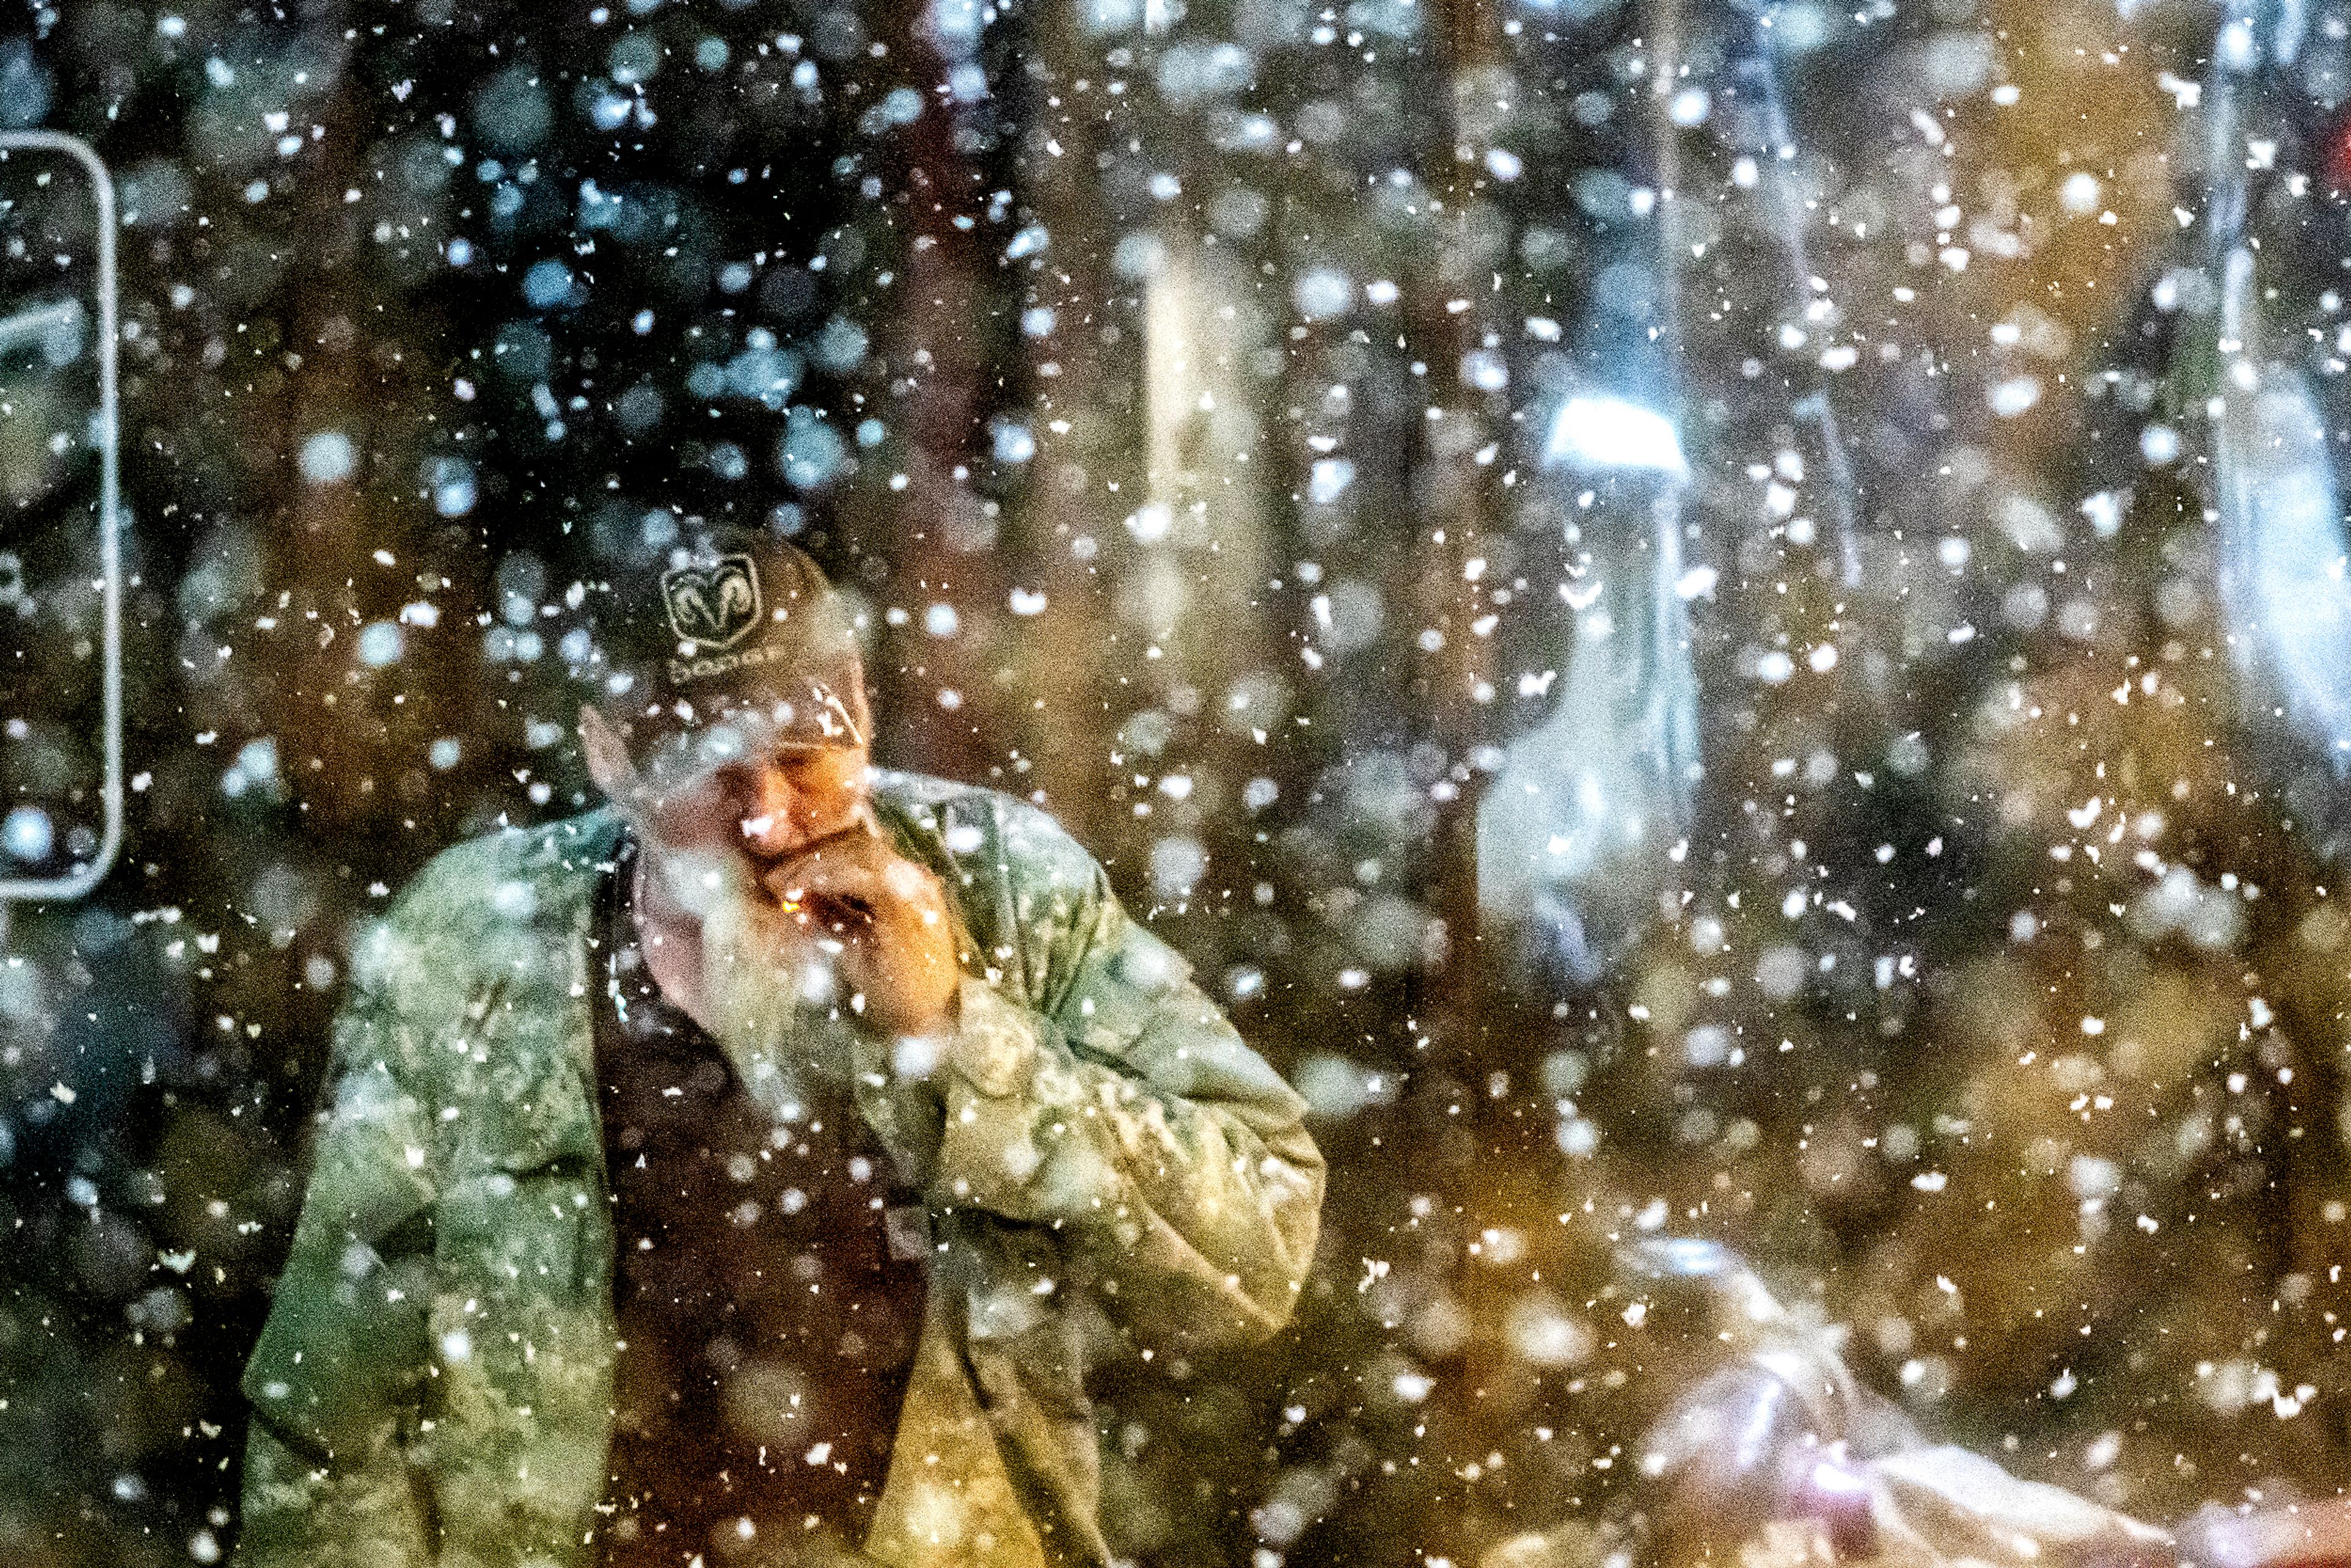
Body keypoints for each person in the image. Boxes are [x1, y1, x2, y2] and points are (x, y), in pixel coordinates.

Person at [231, 524, 1327, 1568]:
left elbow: (1262, 1241)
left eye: (803, 756)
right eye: (707, 771)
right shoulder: (476, 939)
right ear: (610, 757)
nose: (766, 818)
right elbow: (333, 1415)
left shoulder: (1008, 892)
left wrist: (957, 1035)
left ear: (861, 711)